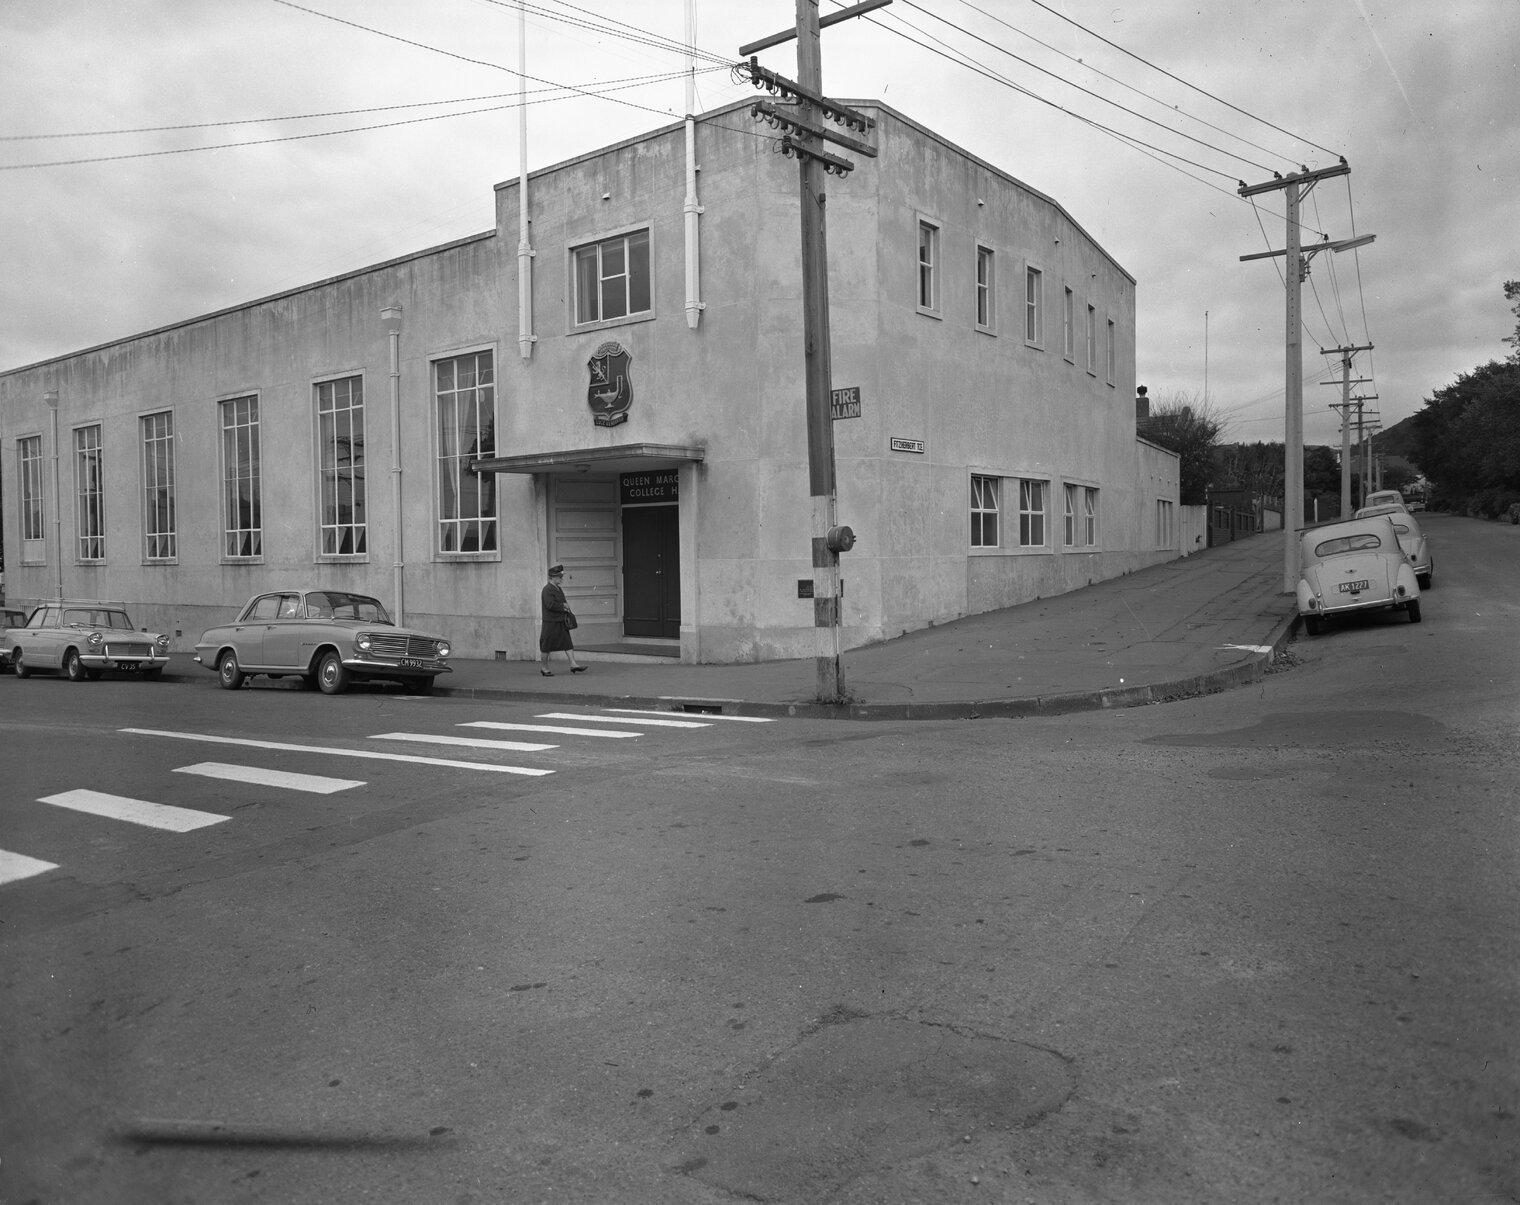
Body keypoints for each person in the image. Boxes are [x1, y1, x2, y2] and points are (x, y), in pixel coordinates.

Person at [539, 564, 585, 676]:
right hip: (550, 622)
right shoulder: (547, 590)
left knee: (567, 643)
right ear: (552, 577)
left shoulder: (558, 589)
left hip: (560, 620)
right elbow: (550, 605)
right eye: (559, 577)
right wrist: (563, 606)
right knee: (546, 646)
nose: (561, 579)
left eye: (561, 576)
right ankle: (544, 668)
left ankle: (573, 664)